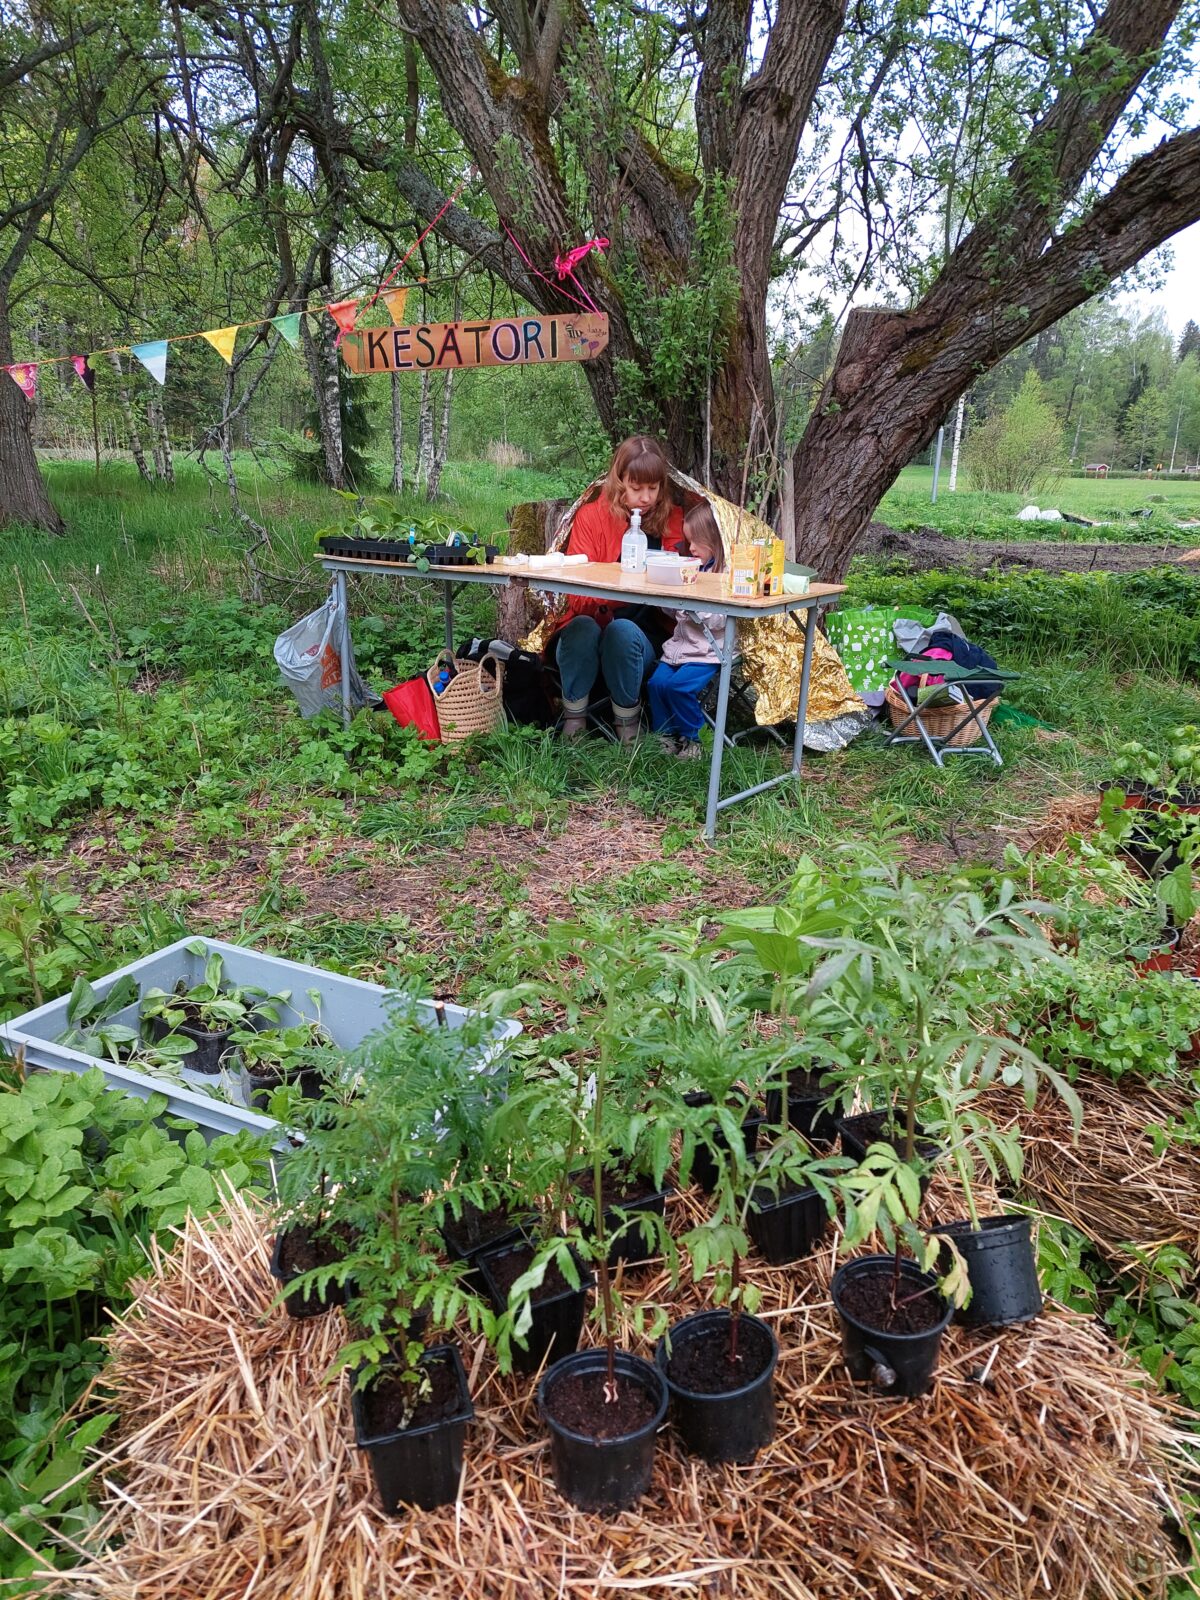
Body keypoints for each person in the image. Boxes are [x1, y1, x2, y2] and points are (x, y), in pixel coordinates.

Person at [549, 435, 685, 742]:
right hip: (590, 624)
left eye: (653, 488)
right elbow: (576, 592)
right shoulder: (591, 517)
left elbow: (687, 584)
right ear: (618, 479)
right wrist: (618, 587)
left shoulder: (674, 519)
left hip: (644, 635)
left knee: (621, 631)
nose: (646, 497)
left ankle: (628, 725)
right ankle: (574, 721)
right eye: (636, 488)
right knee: (581, 627)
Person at [646, 502, 725, 760]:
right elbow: (679, 614)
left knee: (679, 688)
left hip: (710, 650)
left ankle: (694, 739)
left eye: (694, 542)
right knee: (657, 684)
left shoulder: (723, 575)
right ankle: (665, 735)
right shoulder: (695, 569)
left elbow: (720, 619)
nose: (689, 548)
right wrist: (666, 598)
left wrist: (691, 606)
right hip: (681, 646)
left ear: (713, 541)